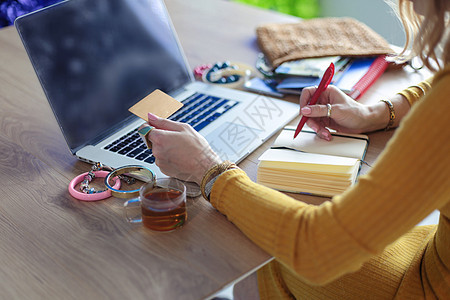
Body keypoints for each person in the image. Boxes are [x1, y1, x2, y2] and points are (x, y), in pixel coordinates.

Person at [146, 0, 449, 298]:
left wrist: (208, 170)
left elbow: (319, 250)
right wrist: (374, 115)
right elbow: (436, 86)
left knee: (263, 259)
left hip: (424, 285)